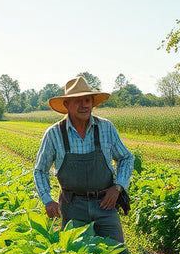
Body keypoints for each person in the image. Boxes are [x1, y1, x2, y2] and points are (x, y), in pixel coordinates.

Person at [33, 76, 134, 243]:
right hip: (73, 206)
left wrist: (118, 187)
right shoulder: (54, 134)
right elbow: (40, 170)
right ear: (67, 104)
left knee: (117, 252)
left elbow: (126, 158)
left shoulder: (105, 127)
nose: (84, 105)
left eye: (87, 100)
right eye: (78, 101)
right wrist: (47, 200)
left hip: (105, 204)